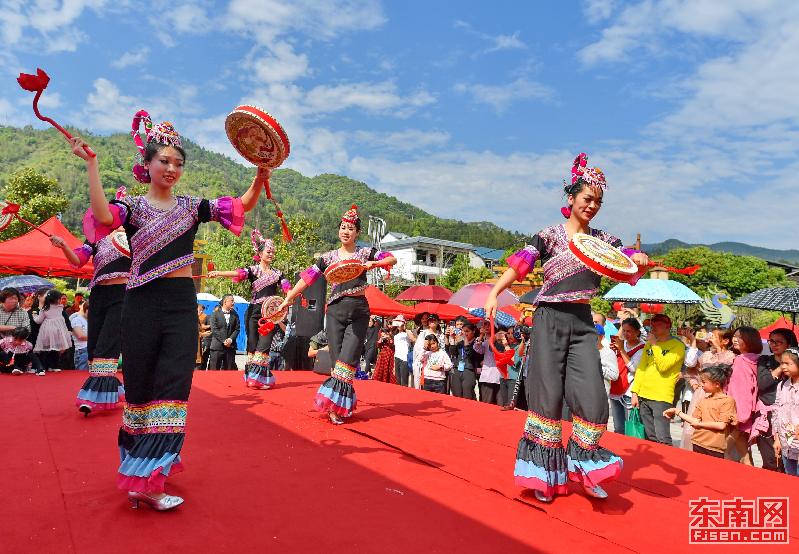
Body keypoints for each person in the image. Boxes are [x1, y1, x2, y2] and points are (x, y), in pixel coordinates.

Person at [71, 108, 262, 511]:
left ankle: (153, 480)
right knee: (140, 388)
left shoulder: (192, 207)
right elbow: (104, 217)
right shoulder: (134, 208)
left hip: (179, 306)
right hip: (138, 303)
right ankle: (139, 475)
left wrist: (259, 177)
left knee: (174, 386)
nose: (171, 168)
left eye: (178, 162)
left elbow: (240, 205)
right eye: (164, 161)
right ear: (148, 164)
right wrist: (92, 165)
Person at [485, 153, 649, 503]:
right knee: (547, 398)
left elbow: (627, 264)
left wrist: (639, 260)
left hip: (583, 322)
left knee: (593, 401)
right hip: (548, 319)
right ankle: (545, 478)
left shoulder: (605, 239)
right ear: (571, 198)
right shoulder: (548, 236)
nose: (593, 206)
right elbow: (520, 266)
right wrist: (496, 292)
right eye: (587, 198)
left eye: (598, 202)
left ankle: (586, 468)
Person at [279, 205, 396, 425]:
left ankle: (337, 404)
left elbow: (391, 259)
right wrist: (288, 299)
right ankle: (336, 407)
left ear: (357, 233)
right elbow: (306, 279)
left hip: (360, 311)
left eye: (350, 228)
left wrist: (375, 263)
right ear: (338, 230)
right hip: (335, 312)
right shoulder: (327, 258)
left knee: (348, 361)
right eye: (343, 227)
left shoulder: (364, 253)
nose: (346, 231)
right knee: (336, 362)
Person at [52, 217, 130, 414]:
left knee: (107, 345)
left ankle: (93, 396)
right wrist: (63, 246)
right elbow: (78, 260)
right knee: (94, 347)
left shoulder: (134, 235)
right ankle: (110, 391)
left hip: (123, 293)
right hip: (98, 294)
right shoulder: (95, 237)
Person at [207, 229, 291, 379]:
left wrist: (290, 296)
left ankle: (259, 376)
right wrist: (219, 272)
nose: (271, 254)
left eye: (272, 252)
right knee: (252, 345)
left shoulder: (278, 274)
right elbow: (237, 273)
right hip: (253, 312)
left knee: (263, 346)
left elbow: (287, 288)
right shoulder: (253, 270)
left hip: (269, 313)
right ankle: (252, 376)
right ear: (260, 254)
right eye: (268, 252)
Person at [630, 314, 685, 446]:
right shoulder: (649, 345)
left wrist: (654, 344)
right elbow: (641, 369)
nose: (653, 326)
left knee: (662, 438)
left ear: (667, 326)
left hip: (661, 396)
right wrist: (634, 392)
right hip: (643, 394)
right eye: (652, 324)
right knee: (649, 437)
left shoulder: (677, 346)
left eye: (657, 324)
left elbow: (663, 367)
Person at [664, 364, 737, 459]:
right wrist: (677, 411)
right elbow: (694, 420)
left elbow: (721, 425)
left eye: (704, 382)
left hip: (714, 447)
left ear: (717, 384)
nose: (701, 384)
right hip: (697, 443)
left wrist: (700, 424)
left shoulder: (728, 401)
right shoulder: (704, 400)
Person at [678, 328, 735, 449]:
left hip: (719, 396)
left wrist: (719, 350)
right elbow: (690, 369)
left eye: (713, 336)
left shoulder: (731, 357)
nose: (710, 338)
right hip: (701, 395)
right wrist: (694, 382)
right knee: (694, 427)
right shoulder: (706, 355)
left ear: (725, 340)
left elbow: (722, 371)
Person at [754, 329, 797, 471]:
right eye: (771, 341)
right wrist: (782, 366)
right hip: (767, 415)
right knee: (771, 460)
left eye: (779, 342)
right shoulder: (764, 361)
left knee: (788, 462)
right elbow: (763, 384)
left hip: (791, 420)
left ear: (789, 344)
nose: (774, 345)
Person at [725, 326, 762, 464]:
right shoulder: (755, 360)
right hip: (746, 410)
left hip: (738, 412)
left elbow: (742, 391)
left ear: (749, 340)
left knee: (722, 449)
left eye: (740, 337)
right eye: (735, 336)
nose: (735, 339)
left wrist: (740, 416)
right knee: (744, 453)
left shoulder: (741, 361)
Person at [608, 318, 645, 433]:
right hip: (615, 387)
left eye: (629, 331)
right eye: (624, 331)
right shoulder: (620, 344)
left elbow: (634, 368)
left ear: (637, 332)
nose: (625, 334)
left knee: (629, 428)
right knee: (618, 427)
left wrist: (622, 350)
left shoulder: (643, 348)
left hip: (629, 392)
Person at [773, 347, 799, 477]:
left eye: (788, 363)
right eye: (782, 363)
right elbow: (776, 412)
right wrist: (777, 438)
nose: (783, 366)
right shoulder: (782, 385)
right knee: (790, 479)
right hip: (786, 444)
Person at [33, 289, 72, 372]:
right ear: (58, 299)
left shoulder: (44, 309)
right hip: (58, 330)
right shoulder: (60, 307)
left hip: (47, 330)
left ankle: (42, 366)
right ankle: (54, 366)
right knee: (55, 348)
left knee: (45, 349)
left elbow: (38, 321)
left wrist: (34, 316)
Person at [209, 295, 241, 371]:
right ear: (225, 302)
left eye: (234, 301)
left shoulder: (235, 314)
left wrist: (230, 339)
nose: (233, 303)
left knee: (229, 372)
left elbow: (237, 329)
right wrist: (224, 340)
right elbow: (214, 329)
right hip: (217, 347)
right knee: (214, 371)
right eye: (232, 301)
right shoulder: (215, 314)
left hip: (230, 347)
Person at [69, 299, 89, 370]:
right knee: (81, 376)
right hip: (83, 351)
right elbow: (80, 336)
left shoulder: (89, 321)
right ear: (86, 309)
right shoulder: (77, 319)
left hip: (91, 350)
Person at [392, 315, 411, 386]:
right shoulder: (395, 336)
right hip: (397, 358)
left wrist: (405, 327)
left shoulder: (407, 334)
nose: (399, 325)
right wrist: (394, 365)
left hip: (405, 359)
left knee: (404, 381)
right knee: (398, 380)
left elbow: (413, 339)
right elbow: (396, 349)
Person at [196, 304, 212, 370]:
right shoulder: (191, 319)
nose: (201, 312)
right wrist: (202, 334)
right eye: (200, 311)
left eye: (202, 311)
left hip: (199, 343)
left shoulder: (199, 318)